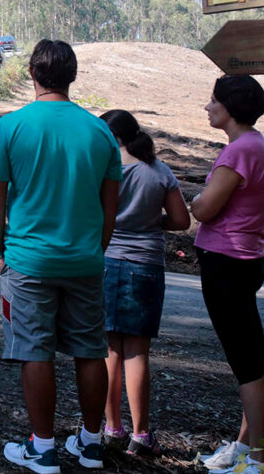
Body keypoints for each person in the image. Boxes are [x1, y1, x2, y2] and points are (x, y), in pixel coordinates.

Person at [0, 40, 122, 474]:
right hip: (84, 260)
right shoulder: (100, 131)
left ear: (32, 74)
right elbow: (110, 204)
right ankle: (92, 443)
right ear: (72, 76)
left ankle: (43, 449)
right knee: (90, 350)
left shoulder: (11, 126)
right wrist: (94, 249)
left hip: (28, 262)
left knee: (34, 351)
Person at [189, 75, 264, 474]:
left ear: (230, 107)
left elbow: (205, 209)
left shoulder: (240, 151)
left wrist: (194, 199)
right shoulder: (256, 146)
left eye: (213, 101)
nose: (207, 107)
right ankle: (245, 448)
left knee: (247, 366)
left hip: (228, 263)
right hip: (245, 259)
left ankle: (257, 460)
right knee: (252, 360)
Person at [98, 109, 191, 457]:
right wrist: (152, 221)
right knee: (137, 352)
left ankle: (111, 429)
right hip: (146, 265)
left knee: (109, 349)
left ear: (109, 138)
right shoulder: (159, 172)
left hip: (105, 261)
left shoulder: (103, 171)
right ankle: (141, 435)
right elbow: (182, 221)